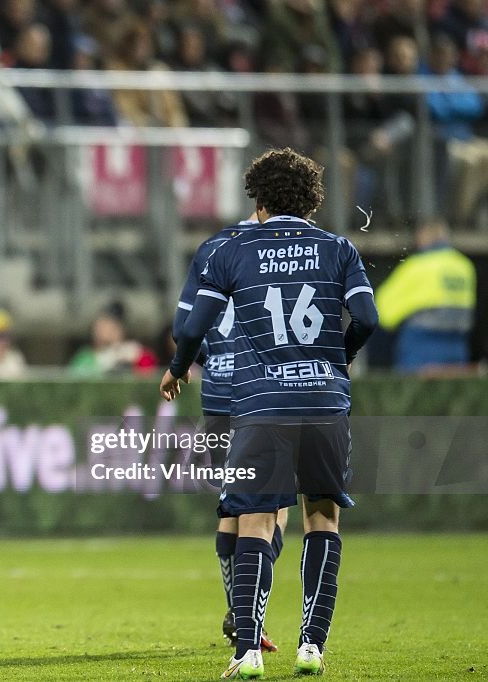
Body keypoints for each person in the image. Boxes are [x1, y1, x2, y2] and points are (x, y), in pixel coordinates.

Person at [160, 148, 379, 678]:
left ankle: (248, 651)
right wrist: (337, 359)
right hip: (326, 399)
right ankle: (312, 647)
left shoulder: (232, 249)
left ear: (257, 199)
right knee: (322, 515)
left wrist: (177, 367)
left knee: (253, 517)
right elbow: (368, 319)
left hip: (259, 401)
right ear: (312, 200)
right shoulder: (338, 247)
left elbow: (191, 328)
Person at [173, 213, 286, 653]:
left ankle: (240, 615)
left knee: (233, 505)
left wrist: (208, 359)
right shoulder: (291, 247)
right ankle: (245, 613)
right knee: (274, 507)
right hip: (269, 388)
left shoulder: (213, 249)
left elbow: (185, 327)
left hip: (218, 392)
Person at [375, 219, 477, 374]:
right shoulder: (464, 266)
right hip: (458, 347)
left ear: (422, 240)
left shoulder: (417, 266)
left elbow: (383, 311)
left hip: (421, 349)